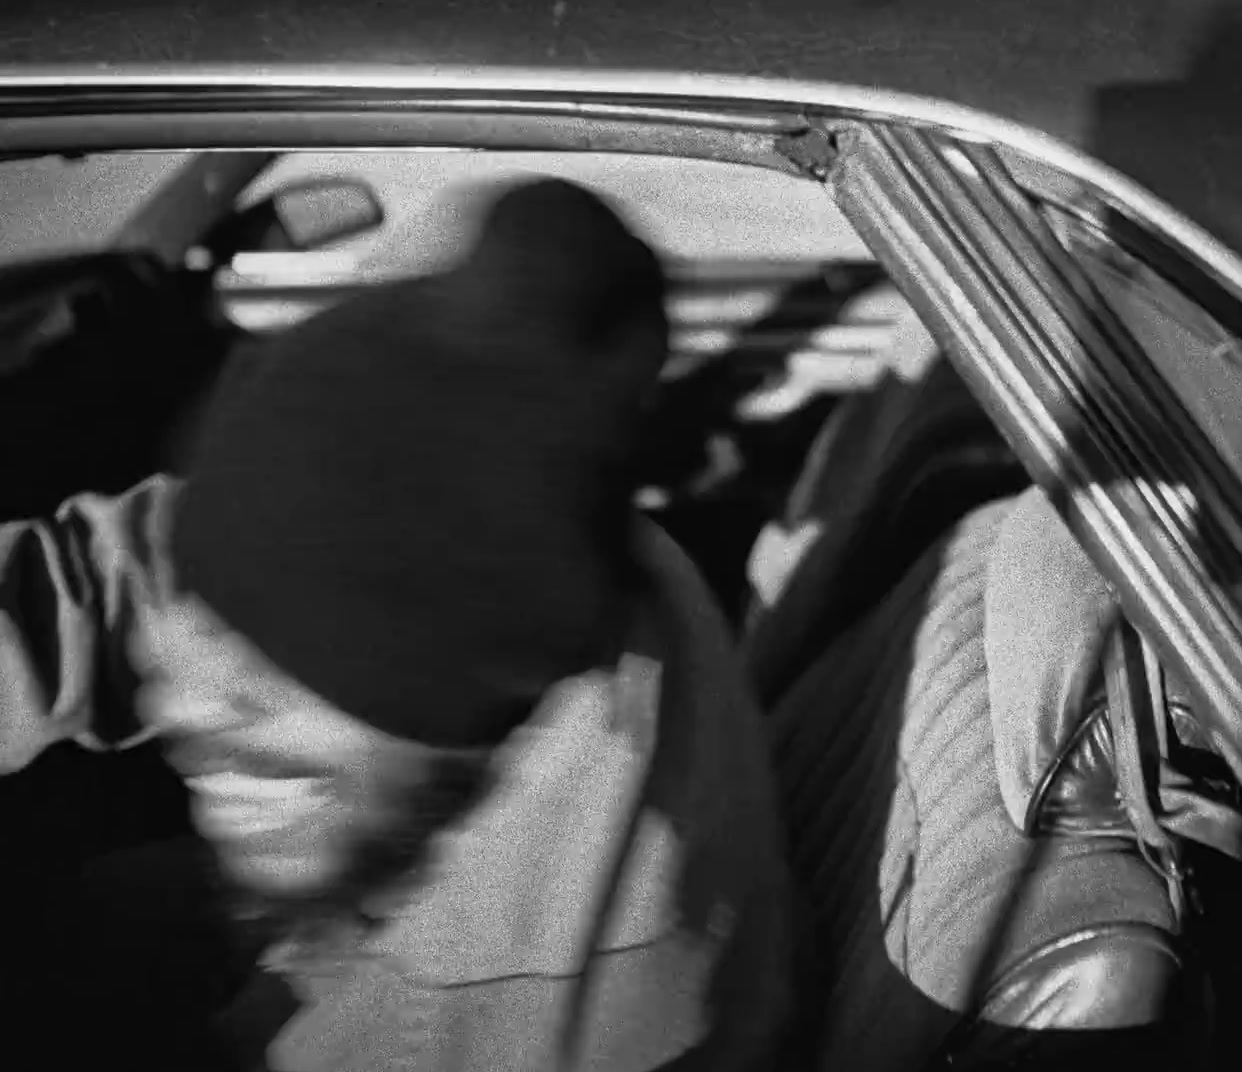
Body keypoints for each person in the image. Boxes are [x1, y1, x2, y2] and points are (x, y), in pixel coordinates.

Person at [0, 177, 796, 1071]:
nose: (179, 699)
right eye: (197, 614)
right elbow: (117, 573)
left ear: (458, 702)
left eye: (263, 679)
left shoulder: (535, 1034)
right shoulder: (486, 554)